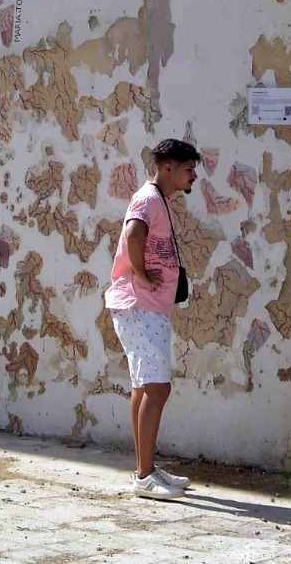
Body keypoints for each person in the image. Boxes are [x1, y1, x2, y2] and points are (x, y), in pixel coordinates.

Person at [103, 136, 201, 499]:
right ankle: (144, 476)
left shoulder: (157, 198)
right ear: (168, 168)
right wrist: (141, 274)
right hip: (139, 305)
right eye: (188, 170)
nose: (193, 177)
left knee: (143, 387)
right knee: (158, 388)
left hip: (143, 307)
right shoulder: (147, 199)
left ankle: (145, 469)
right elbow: (133, 233)